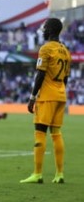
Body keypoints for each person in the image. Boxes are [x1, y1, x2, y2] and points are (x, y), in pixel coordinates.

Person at [20, 18, 71, 184]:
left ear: (50, 30)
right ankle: (59, 174)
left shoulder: (46, 49)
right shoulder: (65, 50)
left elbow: (40, 74)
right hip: (60, 95)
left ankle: (37, 173)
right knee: (56, 134)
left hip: (47, 96)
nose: (43, 30)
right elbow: (66, 78)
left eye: (45, 28)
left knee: (40, 132)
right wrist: (60, 92)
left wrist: (32, 98)